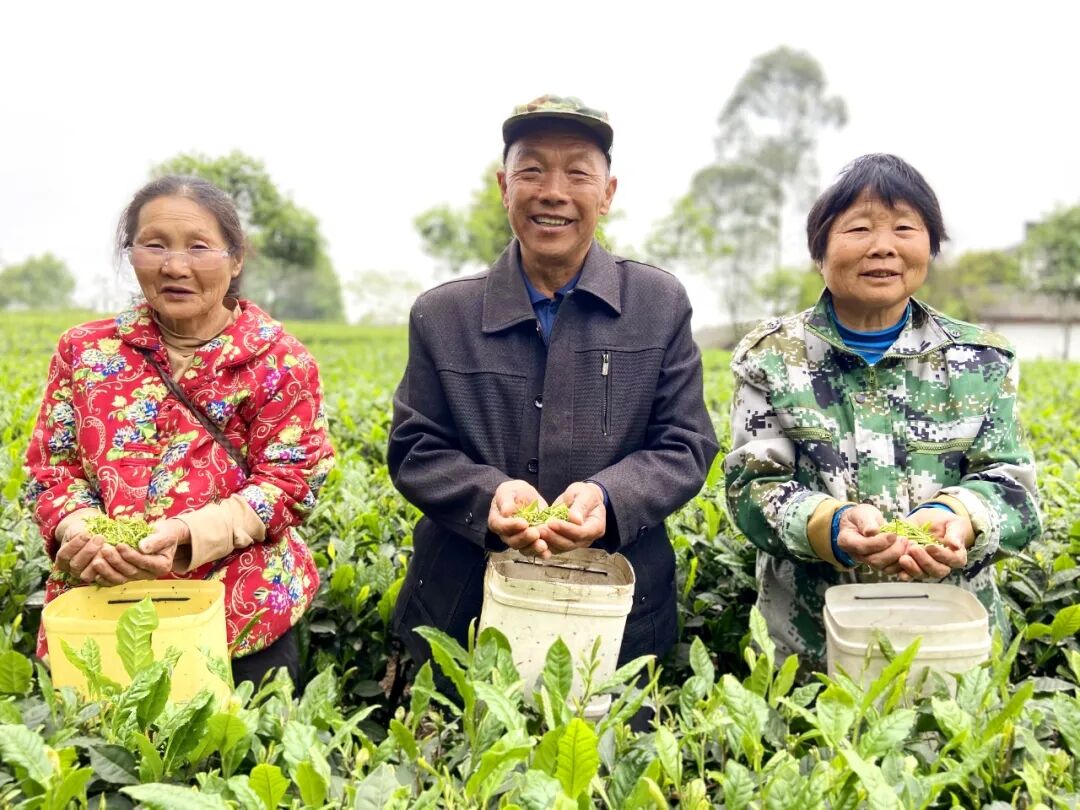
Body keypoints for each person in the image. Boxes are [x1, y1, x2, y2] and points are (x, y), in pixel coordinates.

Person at [388, 95, 718, 674]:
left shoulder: (657, 304)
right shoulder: (443, 315)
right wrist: (488, 496)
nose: (553, 191)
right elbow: (416, 450)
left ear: (608, 193)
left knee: (606, 755)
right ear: (504, 186)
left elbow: (685, 444)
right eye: (532, 170)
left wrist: (609, 498)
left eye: (578, 173)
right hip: (460, 610)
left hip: (618, 613)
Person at [725, 153, 1041, 671]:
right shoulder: (770, 357)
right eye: (859, 228)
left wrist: (955, 518)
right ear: (820, 250)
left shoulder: (980, 359)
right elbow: (751, 488)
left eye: (904, 228)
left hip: (952, 647)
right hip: (810, 650)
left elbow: (1013, 489)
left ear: (930, 248)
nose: (883, 247)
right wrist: (830, 523)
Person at [25, 176, 335, 687]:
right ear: (132, 254)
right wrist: (79, 529)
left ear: (235, 259)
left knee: (237, 757)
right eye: (154, 245)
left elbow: (292, 484)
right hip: (103, 608)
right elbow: (51, 467)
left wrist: (189, 535)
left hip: (239, 615)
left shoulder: (281, 361)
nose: (175, 266)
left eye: (198, 246)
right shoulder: (85, 351)